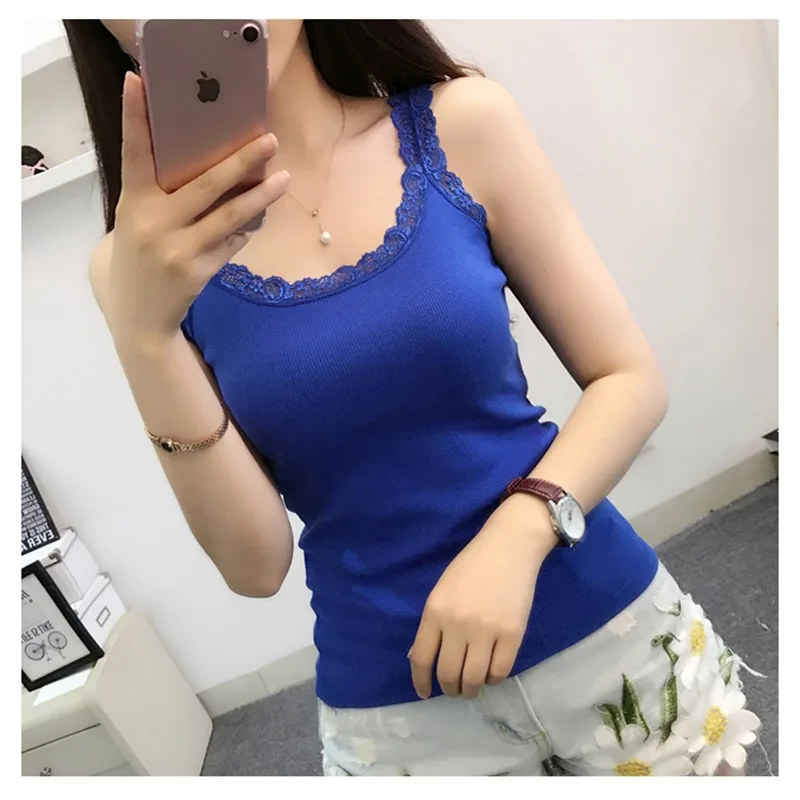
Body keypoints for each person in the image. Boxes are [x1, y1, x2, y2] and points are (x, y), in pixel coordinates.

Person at [63, 20, 761, 776]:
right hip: (396, 713)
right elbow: (255, 567)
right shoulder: (134, 271)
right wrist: (146, 339)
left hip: (605, 628)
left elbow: (629, 378)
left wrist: (518, 532)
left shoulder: (462, 124)